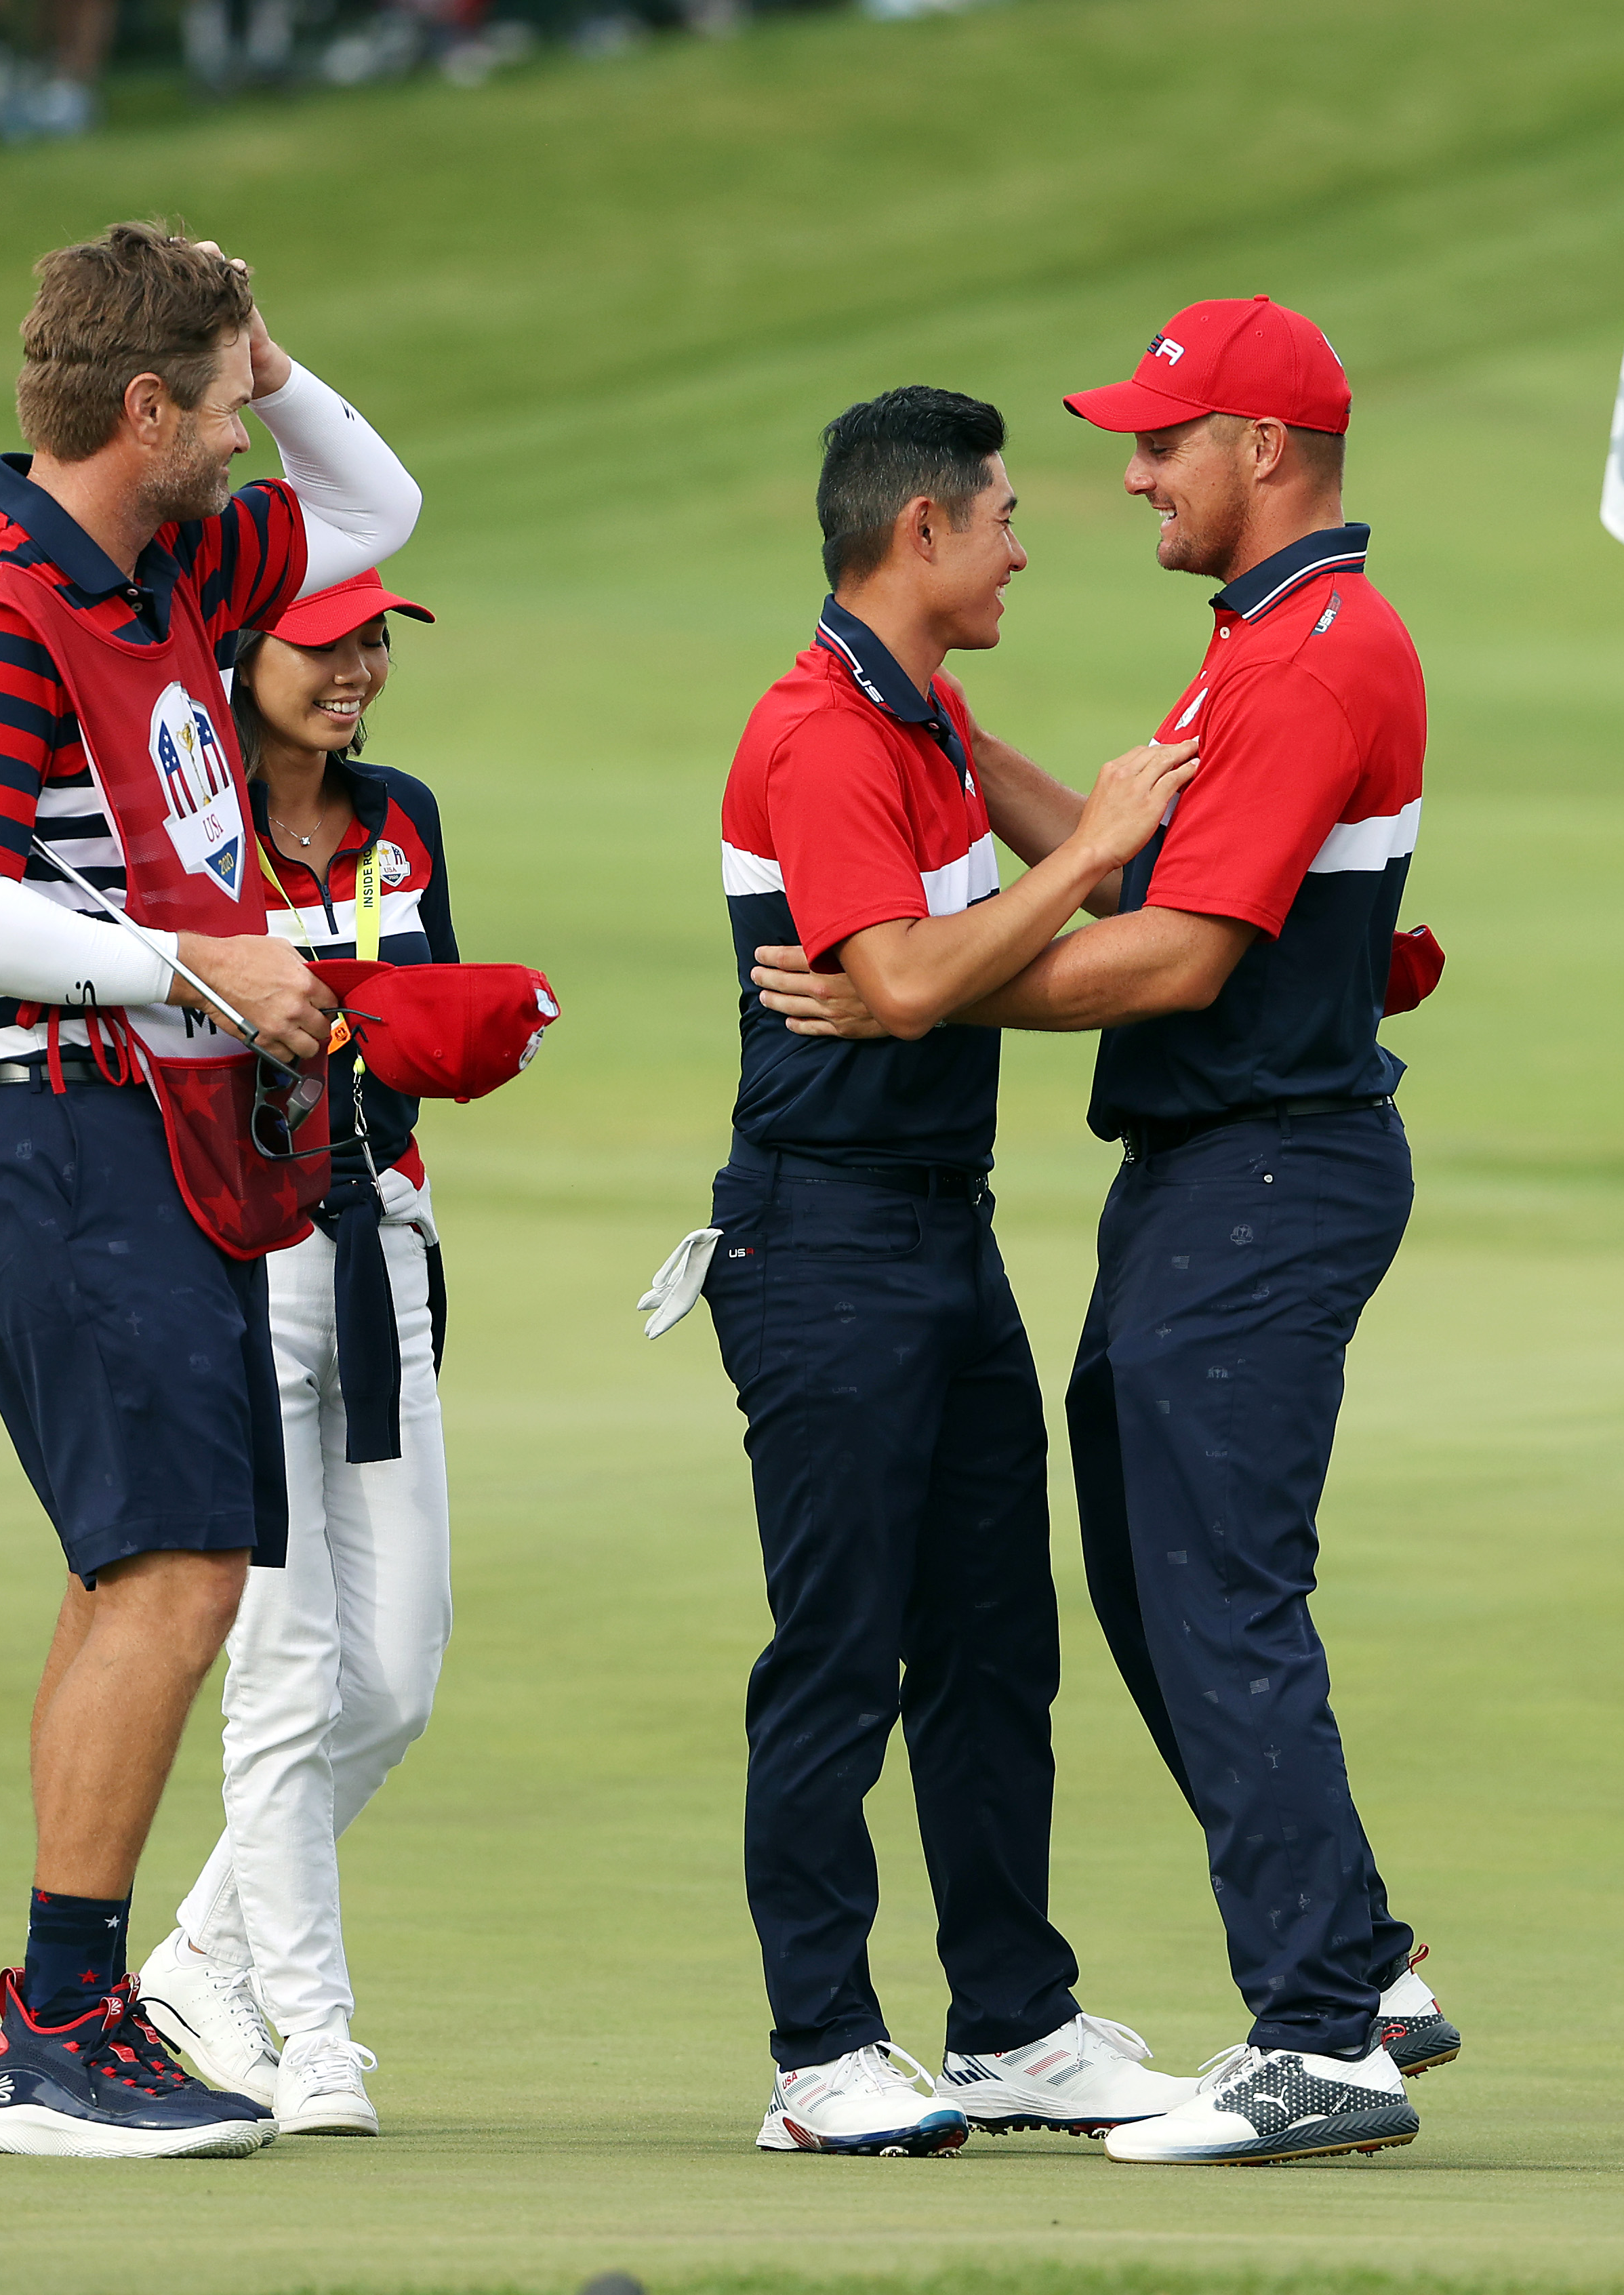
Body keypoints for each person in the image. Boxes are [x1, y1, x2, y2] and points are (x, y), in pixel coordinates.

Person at [754, 298, 1455, 2168]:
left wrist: (918, 991)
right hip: (1219, 1172)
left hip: (1263, 1167)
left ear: (1265, 453)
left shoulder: (1301, 658)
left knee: (1209, 1581)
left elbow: (1174, 947)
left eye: (1163, 442)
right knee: (1159, 1573)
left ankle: (1315, 2029)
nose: (1128, 475)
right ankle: (1359, 1966)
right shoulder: (1257, 645)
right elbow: (1140, 860)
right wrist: (951, 739)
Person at [0, 220, 422, 2158]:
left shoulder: (165, 558)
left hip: (144, 1135)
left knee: (140, 1569)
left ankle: (64, 2008)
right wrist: (197, 965)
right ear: (137, 413)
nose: (243, 436)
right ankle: (60, 2030)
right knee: (180, 1567)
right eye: (213, 406)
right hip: (58, 1128)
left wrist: (262, 352)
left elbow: (381, 495)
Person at [701, 386, 1206, 2158]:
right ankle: (818, 2051)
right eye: (997, 514)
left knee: (993, 1639)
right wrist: (1074, 866)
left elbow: (1012, 890)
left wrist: (1115, 842)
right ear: (914, 533)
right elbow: (905, 983)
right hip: (819, 1234)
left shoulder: (917, 708)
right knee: (839, 1654)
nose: (1018, 539)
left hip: (937, 1228)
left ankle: (1010, 2025)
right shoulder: (821, 735)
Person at [127, 568, 463, 2140]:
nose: (359, 670)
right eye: (328, 644)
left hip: (380, 1243)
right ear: (240, 653)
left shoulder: (403, 813)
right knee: (283, 1672)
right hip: (238, 1262)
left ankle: (197, 1958)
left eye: (376, 642)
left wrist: (430, 1026)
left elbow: (414, 1015)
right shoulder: (184, 837)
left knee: (391, 1675)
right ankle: (312, 2035)